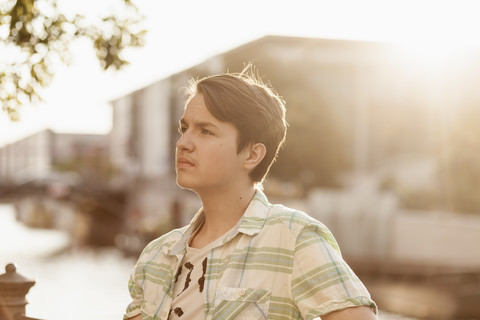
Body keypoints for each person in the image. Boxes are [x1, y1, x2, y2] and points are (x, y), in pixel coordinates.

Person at [124, 66, 378, 320]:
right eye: (184, 128)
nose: (183, 143)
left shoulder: (293, 237)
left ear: (252, 154)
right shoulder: (156, 255)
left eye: (205, 131)